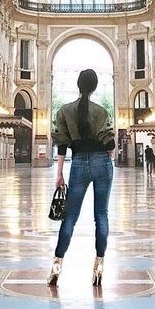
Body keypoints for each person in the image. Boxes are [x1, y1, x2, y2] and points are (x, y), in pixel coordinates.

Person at [48, 69, 114, 288]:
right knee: (101, 215)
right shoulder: (102, 112)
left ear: (78, 85)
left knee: (70, 218)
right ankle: (99, 269)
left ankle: (56, 267)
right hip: (102, 164)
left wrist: (59, 174)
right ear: (94, 87)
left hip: (77, 164)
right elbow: (110, 144)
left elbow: (62, 145)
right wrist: (107, 152)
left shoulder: (64, 111)